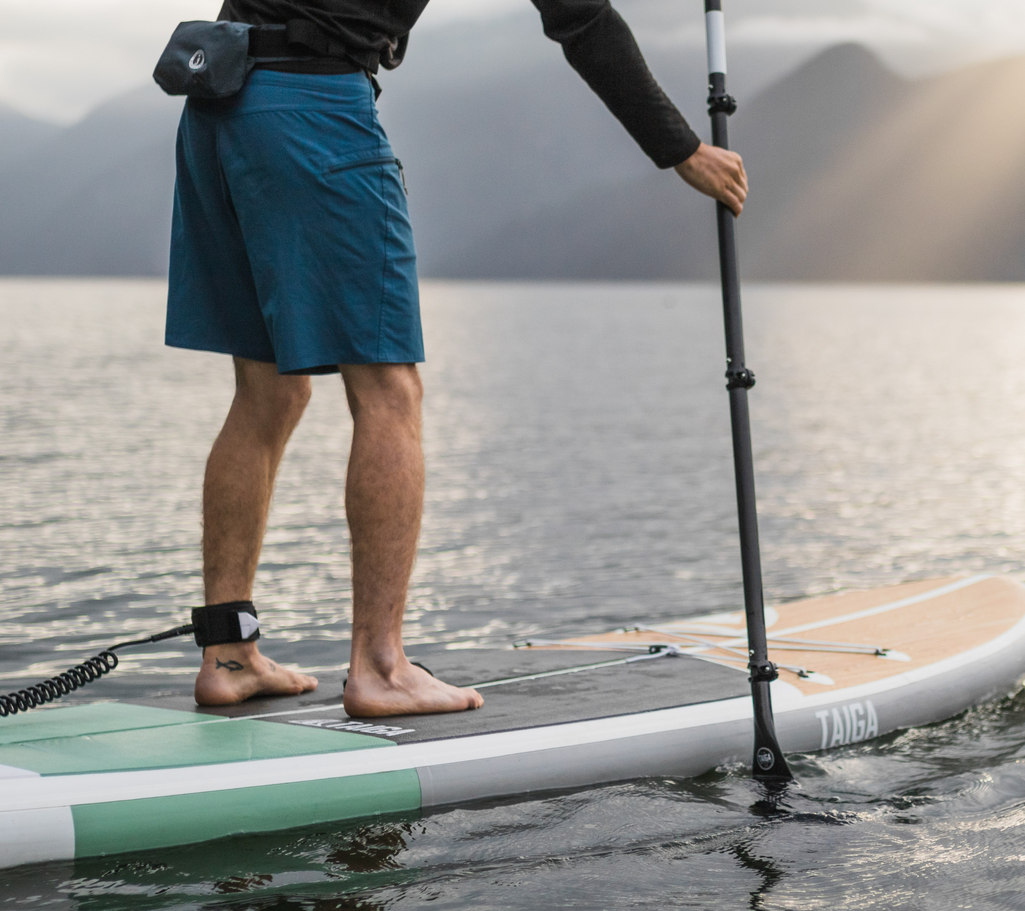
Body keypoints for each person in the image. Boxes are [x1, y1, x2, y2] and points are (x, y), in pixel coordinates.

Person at [165, 0, 748, 718]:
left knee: (266, 393)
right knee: (388, 391)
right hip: (311, 109)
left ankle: (228, 656)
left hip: (219, 99)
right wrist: (684, 149)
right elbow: (583, 19)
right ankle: (380, 667)